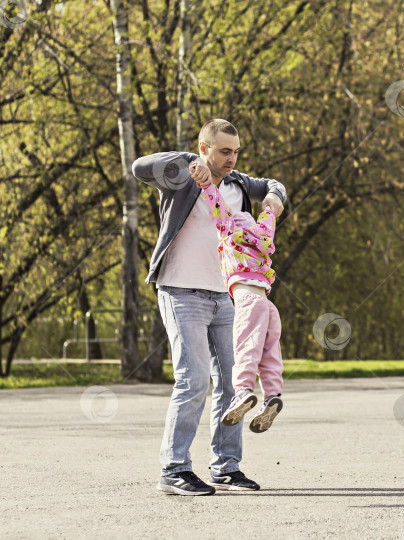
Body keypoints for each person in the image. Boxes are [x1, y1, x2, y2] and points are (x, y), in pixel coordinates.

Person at [132, 119, 287, 496]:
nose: (231, 159)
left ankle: (226, 467)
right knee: (194, 379)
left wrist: (275, 200)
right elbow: (139, 166)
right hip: (181, 290)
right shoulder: (183, 176)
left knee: (236, 384)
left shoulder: (237, 183)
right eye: (223, 151)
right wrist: (188, 163)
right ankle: (174, 469)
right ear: (204, 149)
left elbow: (274, 185)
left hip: (225, 295)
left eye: (235, 151)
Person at [191, 168, 284, 433]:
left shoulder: (230, 231)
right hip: (268, 305)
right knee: (269, 355)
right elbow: (268, 216)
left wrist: (208, 185)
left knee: (245, 348)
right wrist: (269, 206)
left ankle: (243, 392)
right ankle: (272, 396)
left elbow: (217, 205)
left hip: (247, 303)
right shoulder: (263, 235)